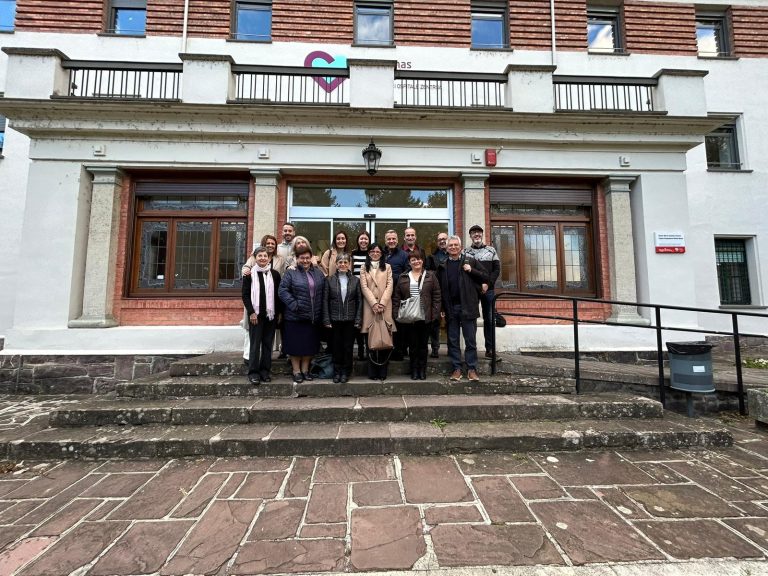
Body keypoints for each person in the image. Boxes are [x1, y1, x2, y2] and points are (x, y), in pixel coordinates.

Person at [436, 235, 488, 382]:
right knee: (453, 340)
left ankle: (471, 369)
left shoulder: (470, 261)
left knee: (470, 340)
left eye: (455, 245)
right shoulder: (442, 265)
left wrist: (471, 270)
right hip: (451, 308)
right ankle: (456, 369)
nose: (453, 247)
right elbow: (440, 289)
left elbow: (485, 276)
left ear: (460, 247)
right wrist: (442, 307)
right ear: (447, 248)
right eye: (450, 245)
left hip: (468, 307)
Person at [278, 245, 326, 383]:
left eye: (307, 258)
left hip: (313, 316)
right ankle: (296, 371)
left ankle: (305, 370)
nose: (305, 260)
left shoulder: (318, 273)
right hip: (295, 316)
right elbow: (282, 290)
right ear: (297, 259)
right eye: (302, 258)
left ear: (311, 258)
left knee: (309, 346)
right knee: (295, 346)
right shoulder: (291, 273)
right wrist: (294, 304)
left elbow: (324, 291)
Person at [392, 250, 441, 380]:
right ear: (409, 262)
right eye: (413, 260)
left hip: (426, 316)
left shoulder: (430, 276)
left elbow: (437, 296)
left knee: (423, 346)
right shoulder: (403, 277)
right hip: (409, 317)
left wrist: (434, 314)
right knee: (413, 346)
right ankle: (414, 370)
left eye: (418, 259)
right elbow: (397, 297)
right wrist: (396, 314)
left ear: (422, 260)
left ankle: (422, 370)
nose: (416, 262)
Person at [242, 234, 287, 363]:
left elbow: (280, 286)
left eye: (273, 243)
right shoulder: (253, 262)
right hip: (255, 308)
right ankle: (251, 363)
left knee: (268, 341)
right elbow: (246, 268)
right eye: (268, 243)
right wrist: (246, 270)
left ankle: (265, 367)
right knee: (253, 339)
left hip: (270, 309)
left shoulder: (278, 264)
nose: (270, 245)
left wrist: (279, 311)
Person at [241, 247, 282, 385]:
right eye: (260, 256)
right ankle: (253, 373)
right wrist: (251, 312)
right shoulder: (249, 275)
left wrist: (279, 313)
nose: (263, 258)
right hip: (256, 316)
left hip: (270, 316)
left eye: (265, 256)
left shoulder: (275, 275)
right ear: (255, 258)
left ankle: (265, 372)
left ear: (268, 258)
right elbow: (245, 295)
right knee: (255, 344)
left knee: (267, 345)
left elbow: (278, 296)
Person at [323, 253, 363, 383]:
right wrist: (326, 319)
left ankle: (346, 372)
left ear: (349, 264)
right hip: (334, 319)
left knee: (348, 347)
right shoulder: (329, 280)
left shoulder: (356, 280)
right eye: (340, 262)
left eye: (346, 262)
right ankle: (337, 371)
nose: (343, 264)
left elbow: (359, 301)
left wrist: (358, 319)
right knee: (336, 347)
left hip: (350, 320)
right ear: (336, 264)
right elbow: (325, 301)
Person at [465, 224, 501, 359]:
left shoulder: (491, 250)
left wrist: (488, 284)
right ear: (470, 236)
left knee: (489, 319)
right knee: (471, 319)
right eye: (473, 233)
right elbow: (465, 272)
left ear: (482, 234)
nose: (476, 235)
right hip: (472, 290)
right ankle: (471, 349)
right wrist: (477, 285)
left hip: (488, 290)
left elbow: (496, 270)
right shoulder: (465, 252)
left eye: (479, 232)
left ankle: (490, 349)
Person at [360, 243, 394, 381]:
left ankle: (383, 371)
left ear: (381, 254)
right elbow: (364, 286)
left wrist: (382, 303)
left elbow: (390, 285)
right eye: (372, 251)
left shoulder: (387, 267)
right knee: (371, 340)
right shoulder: (364, 267)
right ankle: (372, 372)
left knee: (385, 339)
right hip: (370, 307)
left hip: (384, 307)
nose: (375, 254)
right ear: (369, 253)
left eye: (378, 251)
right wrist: (374, 303)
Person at [384, 229, 409, 360]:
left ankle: (399, 351)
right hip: (383, 296)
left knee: (399, 324)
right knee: (386, 323)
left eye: (393, 238)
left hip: (398, 296)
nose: (391, 241)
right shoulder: (381, 254)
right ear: (385, 241)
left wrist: (393, 278)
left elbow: (407, 273)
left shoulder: (404, 255)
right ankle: (386, 349)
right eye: (389, 239)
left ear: (397, 240)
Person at [426, 232, 449, 358]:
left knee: (450, 321)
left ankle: (452, 348)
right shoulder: (432, 257)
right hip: (435, 293)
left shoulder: (454, 255)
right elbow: (429, 273)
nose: (442, 241)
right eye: (440, 239)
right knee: (434, 321)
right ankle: (435, 348)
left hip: (450, 293)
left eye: (444, 239)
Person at [351, 231, 371, 360]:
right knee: (358, 320)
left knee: (368, 320)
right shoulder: (352, 254)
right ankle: (360, 349)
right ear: (358, 240)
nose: (363, 241)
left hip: (369, 291)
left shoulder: (372, 254)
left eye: (366, 239)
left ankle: (369, 348)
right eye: (361, 239)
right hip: (356, 290)